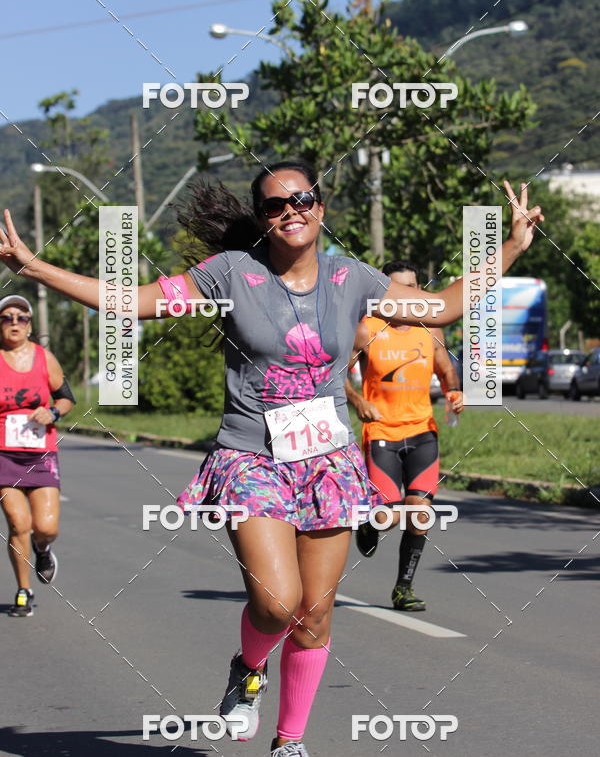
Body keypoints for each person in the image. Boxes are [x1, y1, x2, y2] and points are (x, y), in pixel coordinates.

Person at [0, 166, 542, 755]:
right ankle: (248, 668)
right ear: (261, 218)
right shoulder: (231, 273)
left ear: (321, 205)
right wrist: (33, 268)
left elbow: (440, 307)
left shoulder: (352, 277)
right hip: (250, 457)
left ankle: (290, 742)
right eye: (275, 205)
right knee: (277, 602)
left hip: (328, 462)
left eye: (302, 199)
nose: (292, 211)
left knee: (313, 614)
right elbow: (131, 302)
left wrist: (511, 244)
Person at [345, 260, 463, 612]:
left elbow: (445, 368)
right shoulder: (366, 329)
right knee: (390, 515)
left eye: (414, 288)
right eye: (400, 289)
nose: (408, 296)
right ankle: (370, 523)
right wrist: (358, 401)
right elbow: (337, 376)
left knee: (420, 513)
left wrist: (454, 392)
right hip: (381, 432)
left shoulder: (430, 328)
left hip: (423, 431)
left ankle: (403, 588)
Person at [0, 295, 75, 617]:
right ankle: (23, 589)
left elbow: (66, 397)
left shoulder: (45, 359)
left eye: (21, 317)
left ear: (30, 325)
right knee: (18, 523)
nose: (14, 322)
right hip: (3, 454)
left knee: (45, 527)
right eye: (6, 317)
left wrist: (53, 414)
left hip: (40, 453)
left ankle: (42, 550)